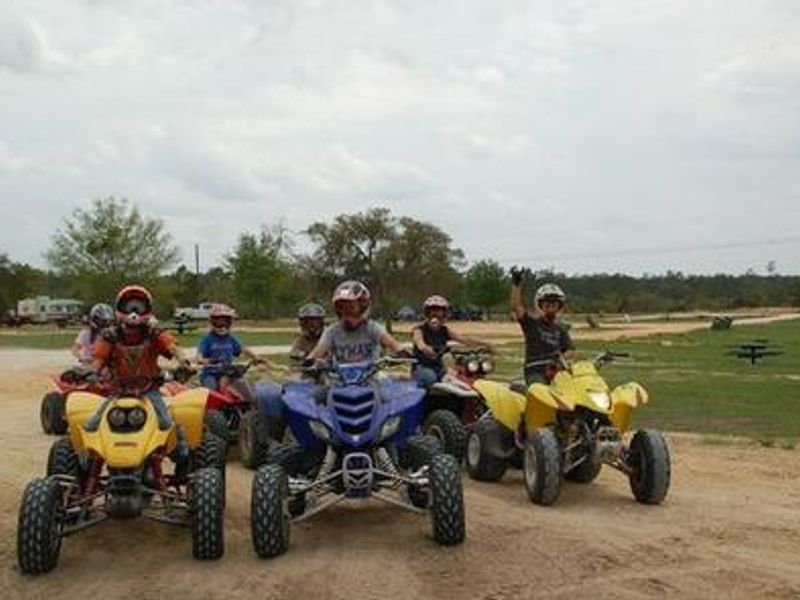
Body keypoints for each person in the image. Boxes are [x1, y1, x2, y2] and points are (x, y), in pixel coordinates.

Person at [87, 286, 189, 442]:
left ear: (147, 309)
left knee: (167, 425)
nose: (133, 312)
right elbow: (98, 359)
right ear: (120, 308)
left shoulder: (154, 333)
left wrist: (183, 361)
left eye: (139, 307)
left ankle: (183, 457)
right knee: (92, 427)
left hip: (149, 391)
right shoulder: (110, 336)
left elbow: (172, 346)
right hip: (118, 392)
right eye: (129, 306)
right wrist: (89, 373)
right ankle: (86, 462)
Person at [306, 280, 407, 364]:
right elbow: (317, 352)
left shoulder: (373, 328)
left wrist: (401, 354)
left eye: (351, 308)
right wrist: (309, 362)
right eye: (342, 308)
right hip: (340, 381)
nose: (346, 312)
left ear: (363, 307)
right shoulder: (332, 331)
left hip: (370, 380)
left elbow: (395, 345)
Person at [411, 295, 495, 388]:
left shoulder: (444, 330)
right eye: (432, 310)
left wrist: (485, 345)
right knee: (430, 378)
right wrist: (426, 349)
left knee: (461, 379)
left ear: (444, 313)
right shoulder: (419, 329)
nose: (435, 314)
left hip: (439, 367)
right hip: (422, 366)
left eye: (439, 311)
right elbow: (420, 343)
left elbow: (464, 340)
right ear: (427, 313)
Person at [510, 268, 575, 385]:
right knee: (540, 390)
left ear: (559, 307)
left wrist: (559, 360)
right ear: (540, 306)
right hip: (535, 371)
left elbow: (570, 350)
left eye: (554, 304)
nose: (551, 307)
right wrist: (516, 285)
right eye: (547, 304)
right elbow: (518, 307)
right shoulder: (532, 324)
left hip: (556, 370)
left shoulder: (560, 329)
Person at [196, 303, 264, 391]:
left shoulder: (231, 338)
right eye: (218, 322)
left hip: (228, 372)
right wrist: (206, 361)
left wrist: (255, 357)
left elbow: (242, 349)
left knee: (241, 388)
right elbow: (199, 356)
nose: (222, 326)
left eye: (225, 322)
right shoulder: (207, 339)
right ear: (211, 322)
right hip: (210, 373)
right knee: (211, 390)